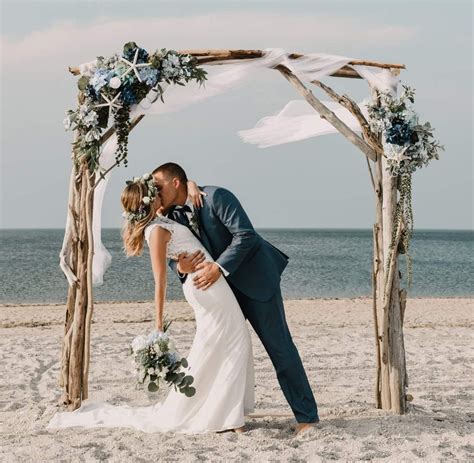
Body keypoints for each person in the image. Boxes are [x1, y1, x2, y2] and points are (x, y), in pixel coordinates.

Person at [47, 174, 254, 434]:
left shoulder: (161, 218)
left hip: (208, 282)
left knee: (225, 342)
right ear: (149, 200)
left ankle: (225, 411)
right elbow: (160, 280)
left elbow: (182, 189)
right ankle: (226, 416)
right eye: (155, 191)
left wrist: (190, 184)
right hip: (205, 285)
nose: (160, 192)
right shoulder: (155, 230)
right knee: (228, 341)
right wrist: (158, 322)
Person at [153, 162, 319, 434]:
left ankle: (307, 418)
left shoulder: (217, 197)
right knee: (225, 350)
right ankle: (226, 416)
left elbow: (246, 236)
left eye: (158, 186)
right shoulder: (170, 216)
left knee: (280, 348)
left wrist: (218, 267)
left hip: (256, 282)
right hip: (220, 295)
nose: (155, 191)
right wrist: (180, 268)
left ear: (175, 183)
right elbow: (174, 253)